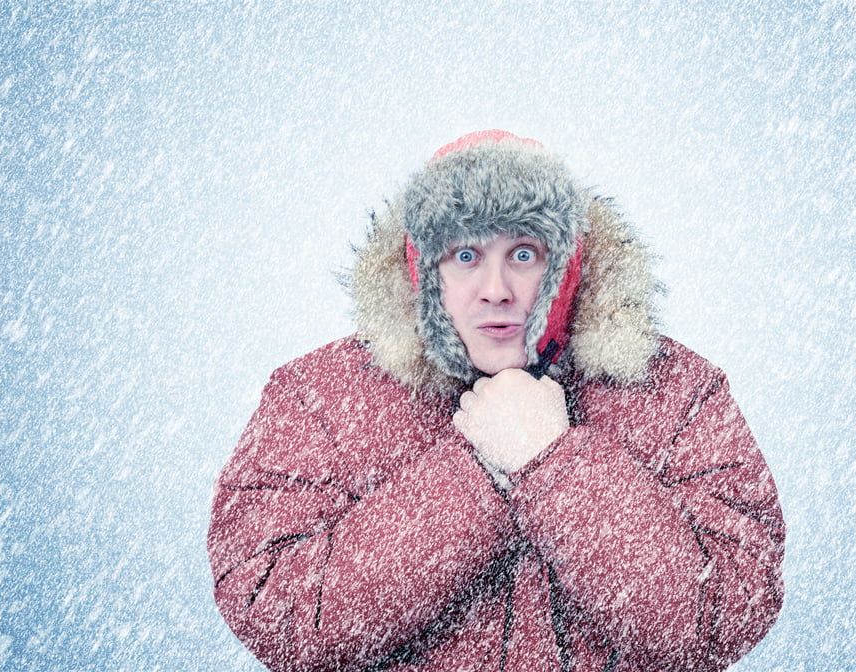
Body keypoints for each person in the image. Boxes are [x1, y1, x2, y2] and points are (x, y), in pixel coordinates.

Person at [208, 130, 785, 672]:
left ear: (568, 264)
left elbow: (725, 608)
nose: (496, 289)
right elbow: (272, 609)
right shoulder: (321, 398)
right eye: (465, 255)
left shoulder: (672, 391)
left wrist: (554, 461)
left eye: (524, 254)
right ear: (421, 268)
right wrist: (475, 473)